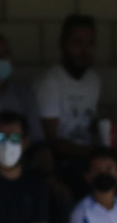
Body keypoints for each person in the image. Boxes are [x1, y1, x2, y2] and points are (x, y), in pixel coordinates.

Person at [36, 14, 102, 177]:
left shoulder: (94, 79)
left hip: (88, 159)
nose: (84, 50)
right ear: (63, 44)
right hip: (60, 163)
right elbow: (51, 141)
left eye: (90, 43)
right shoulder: (50, 81)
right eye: (78, 43)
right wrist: (93, 152)